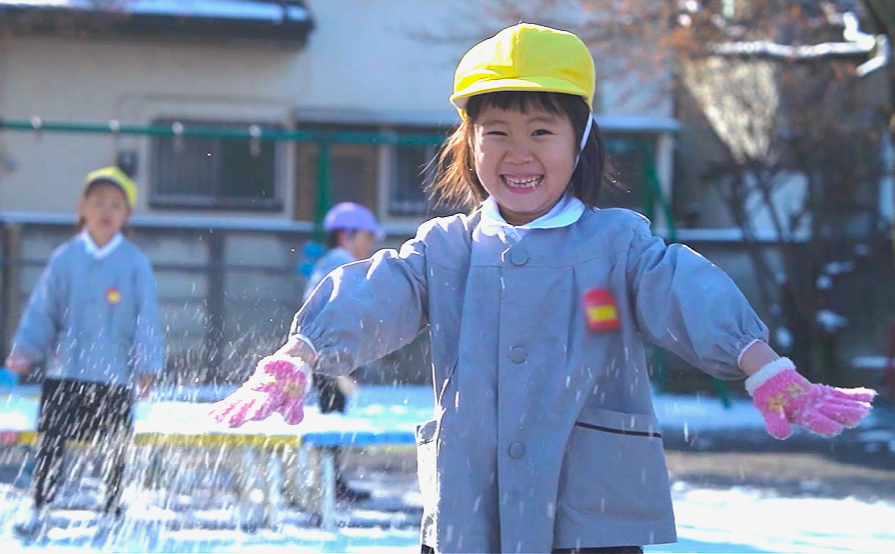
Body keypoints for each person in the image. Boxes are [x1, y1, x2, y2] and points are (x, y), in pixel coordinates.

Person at [208, 23, 876, 554]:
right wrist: (302, 353)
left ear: (579, 140)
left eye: (540, 131)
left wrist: (764, 367)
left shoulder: (618, 245)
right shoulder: (447, 250)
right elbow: (376, 293)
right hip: (471, 518)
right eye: (495, 132)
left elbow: (685, 291)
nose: (517, 152)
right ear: (469, 146)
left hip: (591, 525)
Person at [6, 166, 163, 538]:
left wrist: (147, 365)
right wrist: (26, 349)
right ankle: (39, 505)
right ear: (82, 208)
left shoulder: (134, 262)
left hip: (113, 374)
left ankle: (111, 508)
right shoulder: (65, 258)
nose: (105, 210)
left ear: (127, 215)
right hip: (66, 371)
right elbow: (43, 309)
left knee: (115, 446)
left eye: (115, 204)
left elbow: (147, 317)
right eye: (97, 202)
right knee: (51, 440)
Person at [303, 202, 382, 503]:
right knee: (330, 421)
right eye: (367, 236)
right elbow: (334, 313)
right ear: (346, 236)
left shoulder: (332, 262)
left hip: (327, 356)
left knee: (331, 417)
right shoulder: (341, 264)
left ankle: (326, 482)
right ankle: (326, 485)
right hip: (329, 360)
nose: (370, 244)